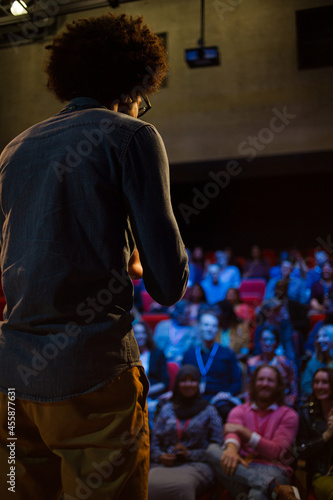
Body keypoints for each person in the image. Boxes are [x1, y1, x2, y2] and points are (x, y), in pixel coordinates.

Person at [0, 13, 189, 500]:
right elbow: (168, 284)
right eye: (146, 97)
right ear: (137, 80)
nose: (143, 107)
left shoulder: (12, 151)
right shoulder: (130, 136)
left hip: (13, 385)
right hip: (94, 379)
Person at [206, 365, 300, 500]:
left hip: (272, 468)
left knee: (257, 495)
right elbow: (232, 435)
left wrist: (243, 431)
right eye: (261, 379)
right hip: (242, 467)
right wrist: (231, 449)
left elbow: (276, 452)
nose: (265, 384)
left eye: (270, 380)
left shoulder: (288, 415)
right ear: (254, 383)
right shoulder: (239, 410)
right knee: (212, 451)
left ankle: (265, 486)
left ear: (278, 386)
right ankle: (270, 487)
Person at [149, 364, 223, 500]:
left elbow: (217, 445)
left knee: (183, 486)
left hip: (197, 464)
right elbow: (154, 442)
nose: (188, 384)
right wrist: (160, 456)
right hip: (165, 464)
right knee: (148, 484)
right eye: (184, 380)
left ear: (198, 384)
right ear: (177, 383)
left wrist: (189, 454)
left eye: (192, 380)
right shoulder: (166, 408)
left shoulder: (208, 410)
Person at [182, 311, 242, 421]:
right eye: (206, 325)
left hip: (220, 399)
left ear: (217, 330)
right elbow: (181, 380)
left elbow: (237, 382)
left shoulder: (227, 353)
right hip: (194, 397)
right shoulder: (189, 354)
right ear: (199, 327)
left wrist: (227, 393)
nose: (210, 329)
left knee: (224, 410)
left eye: (214, 326)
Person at [297, 368, 333, 500]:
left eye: (325, 382)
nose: (319, 386)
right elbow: (301, 449)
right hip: (322, 473)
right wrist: (327, 434)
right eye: (316, 382)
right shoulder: (306, 411)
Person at [246, 326, 298, 407]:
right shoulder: (252, 364)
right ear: (260, 341)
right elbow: (248, 390)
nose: (267, 343)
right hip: (258, 404)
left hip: (281, 404)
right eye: (265, 339)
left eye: (271, 340)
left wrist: (287, 405)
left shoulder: (285, 363)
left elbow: (293, 390)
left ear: (277, 343)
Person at [301, 325, 333, 397]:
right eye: (318, 337)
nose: (320, 340)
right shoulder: (313, 363)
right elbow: (306, 386)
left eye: (324, 336)